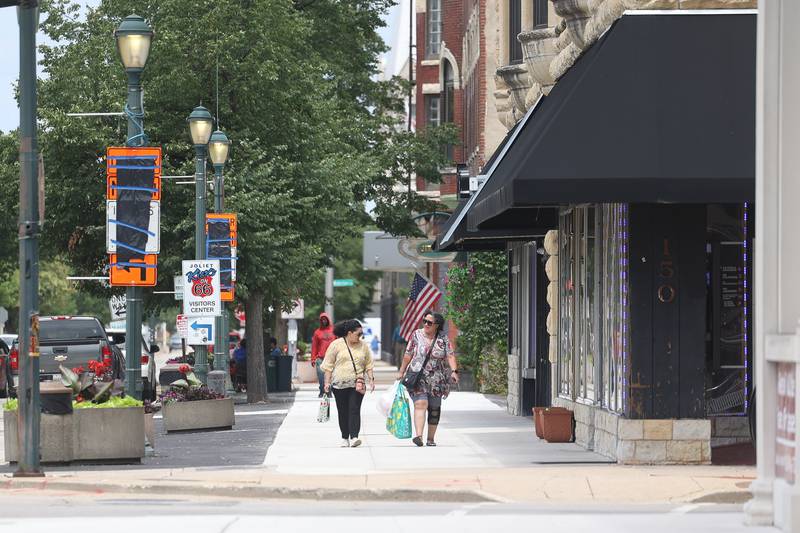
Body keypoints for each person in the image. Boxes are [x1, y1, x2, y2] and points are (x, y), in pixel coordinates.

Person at [397, 312, 458, 447]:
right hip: (418, 377)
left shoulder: (443, 338)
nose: (426, 324)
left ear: (437, 325)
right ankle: (418, 436)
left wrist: (454, 371)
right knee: (421, 404)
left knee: (434, 408)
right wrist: (401, 370)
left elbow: (451, 355)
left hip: (437, 379)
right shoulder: (416, 335)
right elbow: (408, 354)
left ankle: (430, 438)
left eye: (429, 323)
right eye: (424, 321)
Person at [321, 319, 375, 448]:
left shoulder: (363, 346)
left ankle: (354, 436)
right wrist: (327, 382)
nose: (360, 337)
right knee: (343, 411)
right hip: (339, 384)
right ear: (349, 333)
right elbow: (328, 365)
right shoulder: (336, 345)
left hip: (357, 383)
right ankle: (345, 437)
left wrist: (371, 380)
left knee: (354, 409)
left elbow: (368, 363)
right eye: (358, 334)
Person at [311, 312, 335, 398]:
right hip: (320, 358)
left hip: (332, 358)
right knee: (321, 376)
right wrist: (313, 359)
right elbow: (314, 346)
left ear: (328, 320)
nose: (324, 321)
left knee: (331, 376)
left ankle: (329, 391)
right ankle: (322, 390)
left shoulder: (333, 331)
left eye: (325, 319)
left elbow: (338, 343)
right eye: (322, 320)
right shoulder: (317, 332)